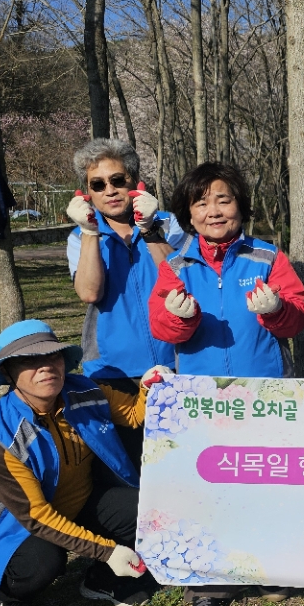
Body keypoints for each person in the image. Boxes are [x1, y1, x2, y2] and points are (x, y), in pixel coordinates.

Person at [148, 161, 304, 606]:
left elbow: (296, 318)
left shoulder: (267, 257)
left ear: (240, 205)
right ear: (188, 214)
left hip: (264, 393)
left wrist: (276, 310)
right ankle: (208, 585)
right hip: (201, 399)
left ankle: (267, 565)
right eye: (201, 203)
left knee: (264, 481)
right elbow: (162, 328)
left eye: (223, 199)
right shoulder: (176, 265)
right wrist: (180, 318)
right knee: (205, 488)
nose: (214, 211)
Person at [0, 320, 169, 606]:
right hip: (17, 527)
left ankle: (102, 580)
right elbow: (36, 517)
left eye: (53, 356)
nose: (46, 367)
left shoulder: (84, 391)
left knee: (143, 510)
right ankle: (9, 596)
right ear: (7, 372)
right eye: (29, 360)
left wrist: (148, 388)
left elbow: (132, 414)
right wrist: (107, 551)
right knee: (44, 560)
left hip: (80, 502)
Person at [65, 139, 184, 465]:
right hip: (112, 371)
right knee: (130, 467)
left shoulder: (169, 224)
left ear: (134, 181)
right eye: (98, 184)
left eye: (118, 180)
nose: (110, 190)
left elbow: (184, 281)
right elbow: (89, 293)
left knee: (176, 463)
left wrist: (150, 231)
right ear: (87, 193)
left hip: (175, 361)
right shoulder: (79, 237)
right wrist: (90, 232)